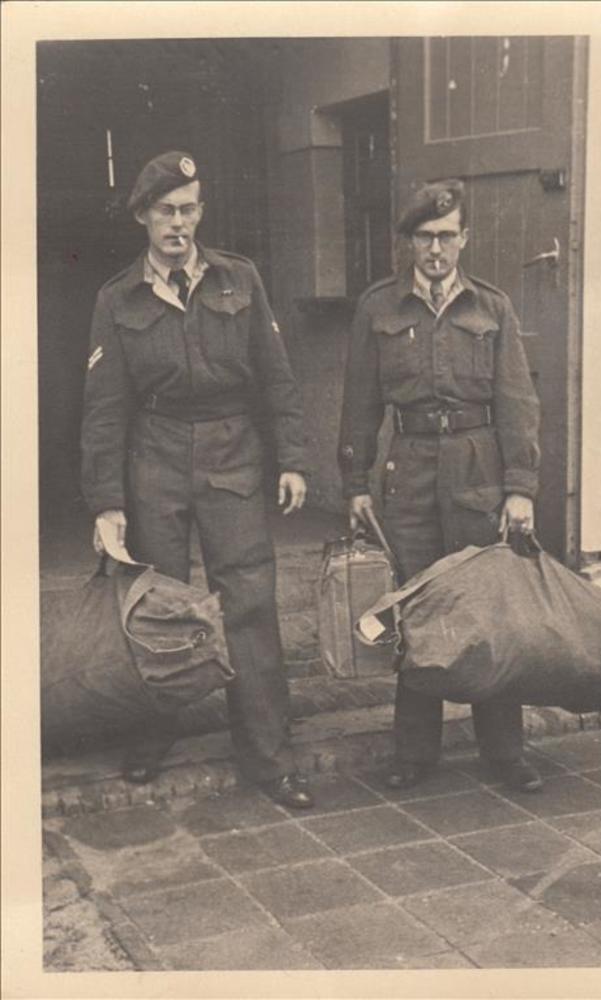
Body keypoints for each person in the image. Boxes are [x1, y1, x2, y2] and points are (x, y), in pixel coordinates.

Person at [81, 151, 314, 809]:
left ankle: (269, 757)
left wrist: (293, 458)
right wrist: (106, 502)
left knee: (249, 602)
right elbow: (104, 407)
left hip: (232, 451)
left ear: (201, 212)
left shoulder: (240, 278)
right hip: (154, 457)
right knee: (156, 604)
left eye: (188, 210)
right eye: (166, 211)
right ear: (143, 217)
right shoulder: (117, 298)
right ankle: (154, 735)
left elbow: (276, 375)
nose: (178, 224)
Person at [338, 178, 543, 793]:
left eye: (446, 236)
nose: (435, 249)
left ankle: (504, 751)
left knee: (487, 607)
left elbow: (517, 402)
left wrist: (521, 486)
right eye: (425, 237)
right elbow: (359, 402)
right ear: (409, 241)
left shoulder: (492, 308)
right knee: (415, 606)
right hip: (410, 470)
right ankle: (414, 752)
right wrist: (355, 482)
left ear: (465, 239)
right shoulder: (379, 308)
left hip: (479, 468)